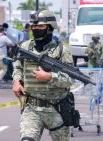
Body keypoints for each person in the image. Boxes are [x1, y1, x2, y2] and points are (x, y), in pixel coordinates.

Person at [12, 10, 73, 141]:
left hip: (57, 109)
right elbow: (18, 67)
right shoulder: (25, 46)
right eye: (34, 26)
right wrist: (16, 80)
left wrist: (50, 77)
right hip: (32, 108)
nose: (36, 29)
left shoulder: (61, 50)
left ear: (50, 27)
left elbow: (70, 79)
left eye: (40, 26)